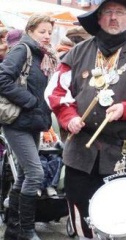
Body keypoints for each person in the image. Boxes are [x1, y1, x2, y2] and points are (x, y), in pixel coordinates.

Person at [45, 0, 126, 238]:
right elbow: (56, 92)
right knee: (80, 207)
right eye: (108, 12)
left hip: (121, 153)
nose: (114, 18)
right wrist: (69, 116)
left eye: (120, 12)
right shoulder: (78, 52)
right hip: (80, 152)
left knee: (118, 217)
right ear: (98, 18)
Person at [0, 14, 58, 240]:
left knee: (25, 174)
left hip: (33, 121)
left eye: (49, 32)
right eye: (42, 31)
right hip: (17, 121)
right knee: (35, 173)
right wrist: (30, 102)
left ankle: (13, 229)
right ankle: (26, 229)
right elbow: (2, 79)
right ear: (30, 30)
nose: (46, 36)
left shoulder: (42, 55)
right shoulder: (22, 50)